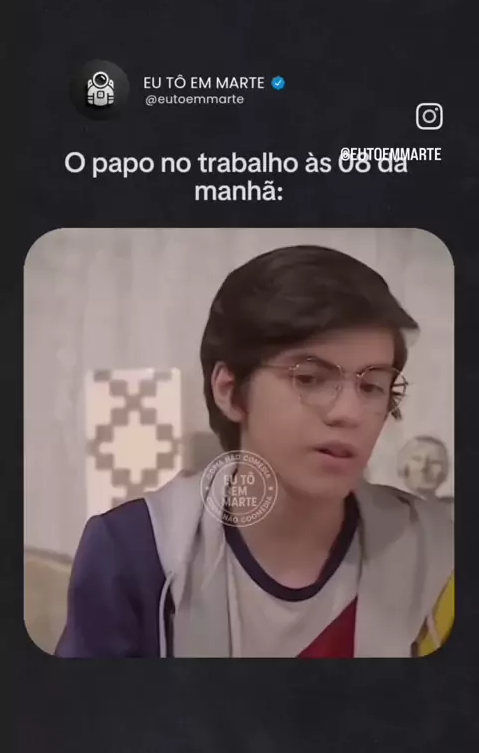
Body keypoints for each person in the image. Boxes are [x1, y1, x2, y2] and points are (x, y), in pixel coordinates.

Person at [55, 245, 454, 658]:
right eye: (309, 378)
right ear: (229, 392)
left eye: (371, 386)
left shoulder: (438, 554)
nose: (349, 413)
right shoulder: (135, 552)